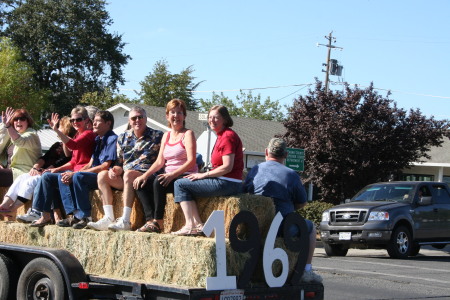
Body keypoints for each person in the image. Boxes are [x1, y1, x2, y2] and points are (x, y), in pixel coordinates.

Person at [243, 138, 322, 283]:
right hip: (282, 228)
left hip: (256, 226)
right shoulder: (291, 174)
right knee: (310, 227)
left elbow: (245, 193)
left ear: (266, 152)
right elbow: (302, 202)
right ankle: (306, 270)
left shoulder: (255, 170)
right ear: (285, 155)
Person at [87, 106, 163, 231]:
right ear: (129, 120)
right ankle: (108, 217)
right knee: (102, 175)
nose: (137, 120)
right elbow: (119, 161)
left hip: (146, 177)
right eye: (134, 118)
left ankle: (125, 220)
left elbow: (161, 160)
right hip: (127, 177)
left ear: (146, 119)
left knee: (129, 174)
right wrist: (116, 169)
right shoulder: (122, 137)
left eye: (140, 117)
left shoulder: (157, 135)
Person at [172, 105, 243, 236]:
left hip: (228, 182)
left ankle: (189, 225)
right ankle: (198, 225)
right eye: (210, 117)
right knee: (186, 182)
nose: (212, 120)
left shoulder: (228, 136)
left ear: (225, 119)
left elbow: (228, 167)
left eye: (216, 117)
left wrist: (203, 175)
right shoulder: (221, 135)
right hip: (227, 181)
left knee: (179, 184)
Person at [132, 99, 197, 233]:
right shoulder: (166, 135)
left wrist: (172, 175)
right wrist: (144, 176)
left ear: (184, 116)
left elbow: (191, 161)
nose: (176, 116)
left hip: (184, 176)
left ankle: (159, 222)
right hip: (168, 176)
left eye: (179, 113)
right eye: (172, 112)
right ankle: (150, 221)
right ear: (167, 116)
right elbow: (160, 161)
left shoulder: (188, 134)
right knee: (140, 183)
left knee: (159, 181)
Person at [29, 106, 96, 227]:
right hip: (75, 171)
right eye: (72, 120)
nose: (75, 122)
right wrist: (56, 169)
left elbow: (74, 146)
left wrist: (56, 130)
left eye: (78, 119)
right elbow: (73, 161)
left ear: (86, 120)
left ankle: (77, 215)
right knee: (47, 176)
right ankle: (43, 215)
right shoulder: (77, 135)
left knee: (63, 177)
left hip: (84, 173)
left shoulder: (89, 134)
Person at [1, 116, 74, 219]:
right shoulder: (57, 144)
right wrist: (35, 167)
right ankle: (4, 205)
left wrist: (46, 170)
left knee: (32, 181)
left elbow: (64, 160)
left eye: (59, 126)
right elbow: (44, 158)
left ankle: (13, 209)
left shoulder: (71, 146)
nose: (56, 129)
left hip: (54, 173)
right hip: (44, 171)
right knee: (22, 178)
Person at [55, 110, 118, 229]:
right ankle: (74, 215)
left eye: (98, 121)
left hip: (104, 177)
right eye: (93, 121)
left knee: (78, 177)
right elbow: (90, 163)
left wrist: (77, 173)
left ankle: (86, 216)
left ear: (108, 123)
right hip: (93, 173)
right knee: (65, 175)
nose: (94, 123)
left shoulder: (112, 139)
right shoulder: (98, 140)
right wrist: (73, 172)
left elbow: (105, 165)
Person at [0, 107, 41, 188]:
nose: (18, 121)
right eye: (15, 119)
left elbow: (20, 141)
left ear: (28, 121)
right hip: (10, 171)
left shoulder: (32, 135)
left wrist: (8, 125)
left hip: (24, 173)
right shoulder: (11, 136)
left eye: (22, 119)